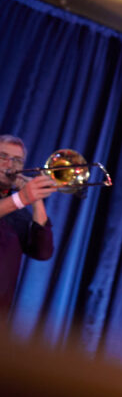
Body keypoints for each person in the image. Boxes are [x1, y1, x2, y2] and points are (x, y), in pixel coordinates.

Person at [0, 135, 56, 325]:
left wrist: (36, 200)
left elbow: (43, 252)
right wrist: (23, 198)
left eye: (17, 160)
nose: (10, 164)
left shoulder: (19, 212)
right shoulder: (17, 202)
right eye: (3, 156)